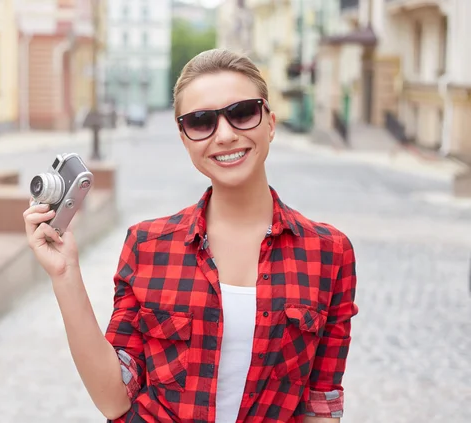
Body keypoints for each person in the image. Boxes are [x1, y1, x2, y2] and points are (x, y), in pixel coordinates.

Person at [23, 48, 358, 423]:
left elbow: (321, 402)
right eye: (201, 122)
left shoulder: (329, 252)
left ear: (270, 123)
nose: (226, 135)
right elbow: (114, 399)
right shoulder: (148, 245)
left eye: (243, 112)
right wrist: (65, 275)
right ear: (185, 140)